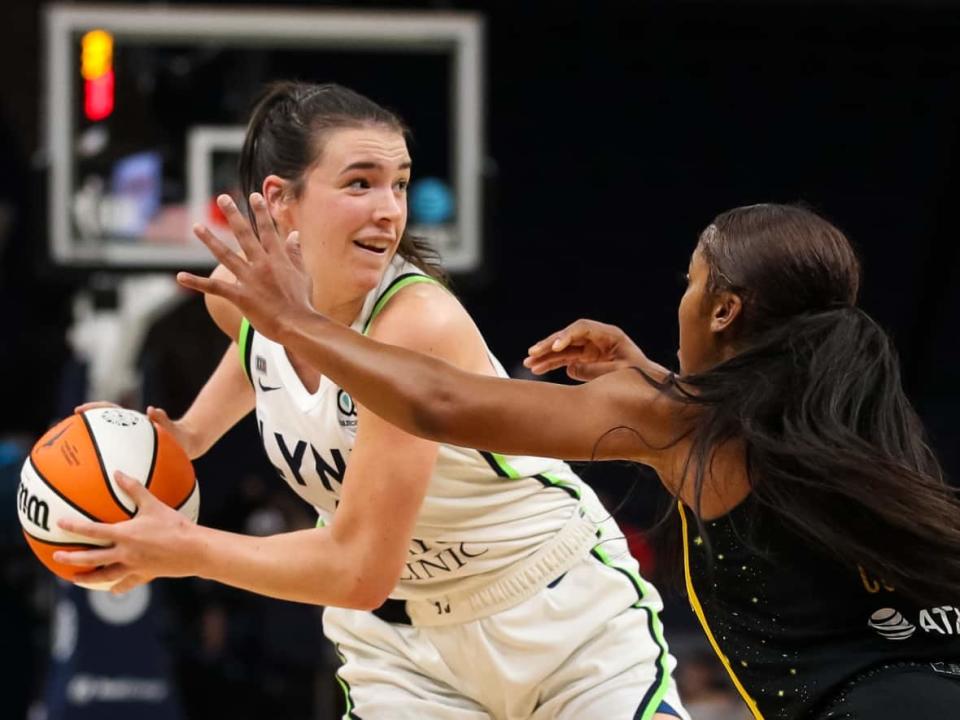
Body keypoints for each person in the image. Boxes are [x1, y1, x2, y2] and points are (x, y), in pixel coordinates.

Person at [174, 200, 960, 719]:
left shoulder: (672, 419)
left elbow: (441, 405)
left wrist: (293, 321)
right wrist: (648, 375)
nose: (679, 299)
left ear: (723, 311)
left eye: (690, 284)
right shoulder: (854, 417)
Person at [57, 81, 688, 720]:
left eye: (400, 184)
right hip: (403, 652)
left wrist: (184, 549)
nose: (390, 209)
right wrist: (188, 436)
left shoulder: (415, 322)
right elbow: (258, 351)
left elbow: (359, 569)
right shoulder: (236, 296)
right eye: (361, 183)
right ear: (281, 201)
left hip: (552, 614)